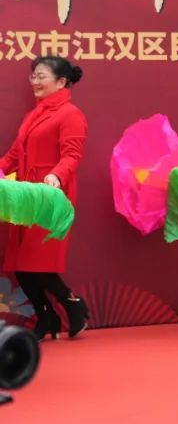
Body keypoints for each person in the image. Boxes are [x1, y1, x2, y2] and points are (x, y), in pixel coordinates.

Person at [0, 56, 90, 340]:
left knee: (37, 264)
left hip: (51, 196)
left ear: (61, 82)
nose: (35, 82)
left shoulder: (71, 114)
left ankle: (73, 304)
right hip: (27, 198)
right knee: (21, 266)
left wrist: (56, 176)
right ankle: (48, 317)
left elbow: (72, 155)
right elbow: (14, 155)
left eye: (41, 76)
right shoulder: (33, 115)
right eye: (33, 76)